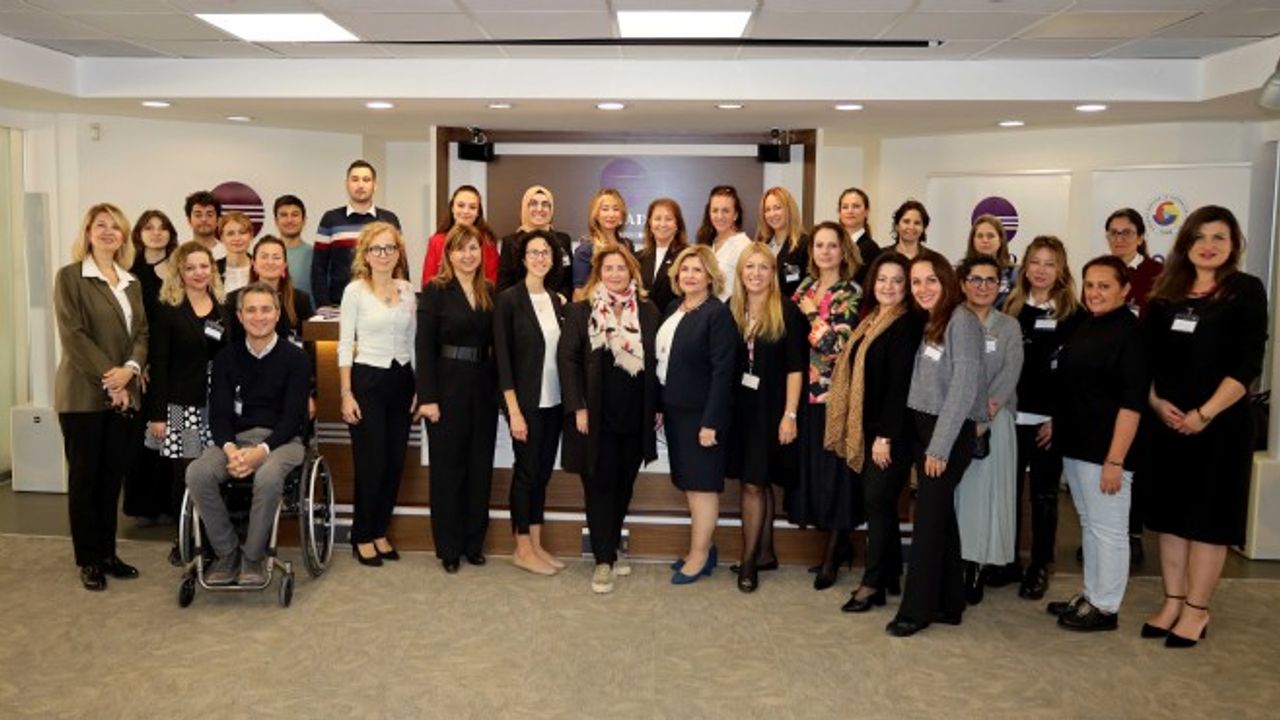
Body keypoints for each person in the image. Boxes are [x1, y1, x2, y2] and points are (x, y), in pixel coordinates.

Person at [1140, 206, 1267, 648]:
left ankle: (1197, 609)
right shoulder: (1165, 294)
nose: (1208, 246)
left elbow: (1248, 364)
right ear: (1185, 243)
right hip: (1167, 424)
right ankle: (1173, 601)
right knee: (1172, 519)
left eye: (1219, 237)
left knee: (1208, 521)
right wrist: (1156, 403)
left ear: (1233, 244)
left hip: (1220, 427)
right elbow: (1146, 360)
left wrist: (1205, 413)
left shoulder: (1244, 291)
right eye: (1200, 237)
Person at [885, 249, 984, 637]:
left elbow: (963, 388)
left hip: (947, 434)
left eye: (931, 280)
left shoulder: (963, 322)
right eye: (916, 282)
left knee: (926, 522)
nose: (922, 288)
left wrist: (939, 447)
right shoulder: (931, 321)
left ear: (947, 281)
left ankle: (916, 610)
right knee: (941, 518)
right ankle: (950, 602)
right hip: (924, 428)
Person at [184, 282, 310, 586]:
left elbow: (293, 419)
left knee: (268, 476)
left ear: (277, 313)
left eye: (266, 309)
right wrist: (231, 450)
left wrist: (260, 452)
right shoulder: (226, 358)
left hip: (283, 442)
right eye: (251, 310)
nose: (259, 316)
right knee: (197, 472)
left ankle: (253, 557)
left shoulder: (296, 359)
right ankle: (227, 553)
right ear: (240, 316)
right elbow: (219, 415)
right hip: (236, 441)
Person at [1046, 255, 1146, 632]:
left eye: (1105, 286)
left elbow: (1132, 404)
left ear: (1125, 289)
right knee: (1090, 524)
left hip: (1106, 452)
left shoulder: (1131, 335)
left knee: (1109, 530)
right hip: (1078, 445)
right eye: (1090, 285)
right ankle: (1091, 594)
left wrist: (1115, 460)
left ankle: (1106, 608)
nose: (1095, 292)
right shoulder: (1089, 324)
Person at [54, 203, 149, 591]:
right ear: (88, 232)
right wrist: (114, 379)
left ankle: (108, 553)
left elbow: (141, 333)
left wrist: (131, 369)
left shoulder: (131, 282)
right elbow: (74, 336)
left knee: (111, 480)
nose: (109, 232)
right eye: (101, 225)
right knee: (85, 480)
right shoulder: (71, 277)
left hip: (124, 394)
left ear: (124, 236)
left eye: (115, 226)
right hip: (83, 395)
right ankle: (89, 559)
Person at [559, 244, 661, 594]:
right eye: (608, 268)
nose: (615, 274)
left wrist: (657, 407)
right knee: (599, 486)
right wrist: (578, 407)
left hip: (634, 413)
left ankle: (612, 545)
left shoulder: (647, 311)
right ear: (598, 274)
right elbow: (568, 361)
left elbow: (658, 362)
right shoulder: (581, 310)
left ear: (632, 271)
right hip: (595, 415)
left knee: (623, 486)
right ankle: (603, 561)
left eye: (621, 268)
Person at [825, 252, 922, 613]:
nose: (889, 286)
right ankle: (890, 574)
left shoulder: (907, 324)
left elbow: (900, 387)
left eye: (897, 281)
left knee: (878, 505)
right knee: (879, 505)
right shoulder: (871, 320)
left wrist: (885, 437)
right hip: (868, 430)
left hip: (889, 435)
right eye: (882, 279)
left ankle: (872, 584)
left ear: (907, 286)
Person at [1000, 236, 1084, 600]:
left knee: (1044, 496)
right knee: (1009, 492)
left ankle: (1039, 565)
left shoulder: (1074, 315)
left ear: (1061, 269)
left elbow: (1077, 375)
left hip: (1047, 422)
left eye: (1050, 263)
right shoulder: (1010, 307)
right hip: (1009, 417)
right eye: (1035, 261)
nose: (1041, 270)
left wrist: (1058, 418)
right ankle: (1007, 561)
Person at [417, 223, 499, 574]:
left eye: (473, 248)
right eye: (461, 249)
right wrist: (427, 397)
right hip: (446, 389)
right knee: (448, 472)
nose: (468, 255)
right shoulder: (435, 290)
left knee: (480, 469)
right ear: (448, 254)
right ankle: (449, 548)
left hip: (483, 388)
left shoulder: (490, 291)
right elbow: (423, 347)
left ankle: (473, 544)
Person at [786, 221, 863, 590]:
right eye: (819, 245)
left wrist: (813, 314)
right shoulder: (803, 287)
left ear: (843, 250)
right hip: (800, 393)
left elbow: (837, 347)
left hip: (833, 395)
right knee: (814, 474)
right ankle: (837, 544)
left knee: (836, 475)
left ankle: (833, 554)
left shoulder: (850, 292)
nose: (826, 252)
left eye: (833, 245)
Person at [726, 243, 806, 593]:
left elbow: (796, 369)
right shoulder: (732, 309)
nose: (756, 274)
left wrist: (790, 415)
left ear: (773, 274)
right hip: (739, 410)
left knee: (753, 483)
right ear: (740, 272)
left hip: (771, 410)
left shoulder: (787, 312)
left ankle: (748, 563)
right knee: (757, 479)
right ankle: (765, 553)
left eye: (763, 267)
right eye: (750, 267)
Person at [146, 241, 231, 566]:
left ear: (213, 269)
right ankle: (183, 539)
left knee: (212, 473)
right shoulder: (169, 309)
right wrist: (158, 414)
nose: (198, 273)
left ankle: (211, 540)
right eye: (190, 267)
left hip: (216, 406)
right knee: (186, 475)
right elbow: (159, 364)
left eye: (204, 266)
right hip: (183, 408)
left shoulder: (222, 307)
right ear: (179, 272)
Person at [338, 223, 417, 568]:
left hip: (402, 380)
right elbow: (345, 344)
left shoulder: (408, 290)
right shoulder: (355, 291)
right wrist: (346, 393)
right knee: (371, 463)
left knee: (394, 462)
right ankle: (362, 534)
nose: (384, 254)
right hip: (367, 380)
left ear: (399, 254)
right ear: (365, 254)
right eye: (377, 249)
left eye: (390, 248)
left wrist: (419, 387)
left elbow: (413, 342)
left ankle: (380, 530)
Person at [657, 245, 736, 585]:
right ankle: (703, 548)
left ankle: (699, 556)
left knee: (702, 489)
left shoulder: (717, 314)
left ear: (710, 277)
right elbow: (665, 360)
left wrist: (711, 422)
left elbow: (723, 373)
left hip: (701, 417)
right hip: (676, 413)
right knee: (690, 485)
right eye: (685, 269)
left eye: (698, 270)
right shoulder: (674, 308)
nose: (690, 275)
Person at [494, 230, 567, 576]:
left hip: (554, 402)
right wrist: (514, 411)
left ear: (553, 259)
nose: (540, 258)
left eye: (545, 253)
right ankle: (521, 548)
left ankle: (536, 544)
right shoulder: (508, 300)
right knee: (525, 474)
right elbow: (503, 360)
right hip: (525, 404)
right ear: (523, 259)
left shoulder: (556, 300)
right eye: (534, 252)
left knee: (541, 474)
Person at [953, 255, 1024, 605]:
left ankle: (978, 566)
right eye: (976, 279)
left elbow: (1010, 374)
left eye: (990, 280)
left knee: (987, 499)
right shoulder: (950, 320)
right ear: (963, 283)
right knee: (959, 498)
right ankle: (956, 562)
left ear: (1000, 285)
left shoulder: (1009, 326)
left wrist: (982, 420)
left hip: (996, 424)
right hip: (954, 424)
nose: (983, 286)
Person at [124, 209, 178, 526]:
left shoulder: (179, 269)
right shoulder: (128, 271)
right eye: (149, 227)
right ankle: (143, 506)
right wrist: (139, 362)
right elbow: (128, 324)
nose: (156, 233)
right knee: (142, 439)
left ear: (170, 233)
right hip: (140, 366)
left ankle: (170, 504)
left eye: (162, 227)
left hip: (172, 361)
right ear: (139, 234)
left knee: (171, 435)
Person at [313, 159, 402, 308]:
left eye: (366, 180)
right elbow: (318, 268)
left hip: (383, 304)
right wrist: (324, 305)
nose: (360, 185)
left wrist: (401, 301)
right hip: (339, 305)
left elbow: (400, 265)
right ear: (346, 184)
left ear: (375, 185)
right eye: (355, 179)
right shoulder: (330, 219)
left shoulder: (389, 219)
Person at [225, 235, 315, 346]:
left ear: (285, 265)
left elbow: (310, 344)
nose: (270, 262)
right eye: (264, 257)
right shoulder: (234, 299)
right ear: (254, 264)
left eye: (276, 257)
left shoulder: (301, 300)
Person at [496, 185, 573, 297]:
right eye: (533, 204)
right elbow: (503, 286)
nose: (539, 209)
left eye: (545, 204)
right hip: (521, 305)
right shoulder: (510, 242)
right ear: (525, 208)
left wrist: (561, 297)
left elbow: (569, 281)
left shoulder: (563, 240)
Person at [423, 185, 499, 284]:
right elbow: (428, 281)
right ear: (452, 208)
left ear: (478, 213)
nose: (466, 211)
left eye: (472, 207)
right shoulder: (436, 241)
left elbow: (492, 282)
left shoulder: (487, 242)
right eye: (461, 205)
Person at [695, 185, 752, 301]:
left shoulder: (744, 246)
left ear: (735, 215)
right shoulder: (709, 242)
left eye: (725, 211)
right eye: (715, 210)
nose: (719, 216)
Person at [1105, 208, 1163, 316]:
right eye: (1113, 233)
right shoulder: (1097, 271)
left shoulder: (1159, 272)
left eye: (1127, 233)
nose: (1119, 239)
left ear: (1140, 238)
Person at [573, 188, 633, 291]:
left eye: (616, 209)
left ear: (622, 215)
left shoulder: (628, 245)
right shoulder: (585, 250)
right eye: (605, 209)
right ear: (596, 215)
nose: (611, 214)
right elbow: (579, 292)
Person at [636, 198, 687, 314]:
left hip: (676, 319)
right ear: (650, 223)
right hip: (645, 321)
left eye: (668, 219)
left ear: (677, 224)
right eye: (657, 219)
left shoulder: (687, 256)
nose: (662, 224)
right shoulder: (638, 258)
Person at [758, 186, 809, 298]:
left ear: (789, 210)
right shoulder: (762, 245)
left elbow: (808, 286)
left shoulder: (805, 244)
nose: (772, 214)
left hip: (790, 307)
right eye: (767, 210)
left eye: (777, 208)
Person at [963, 215, 1016, 307]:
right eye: (980, 236)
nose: (985, 240)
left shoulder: (1013, 274)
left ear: (1000, 240)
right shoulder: (961, 273)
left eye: (990, 236)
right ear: (973, 241)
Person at [838, 187, 881, 288]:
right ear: (839, 212)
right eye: (845, 207)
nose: (850, 211)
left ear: (866, 212)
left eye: (856, 206)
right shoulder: (831, 244)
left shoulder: (871, 249)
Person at [273, 194, 313, 296]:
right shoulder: (265, 255)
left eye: (295, 215)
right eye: (284, 215)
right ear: (276, 221)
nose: (289, 220)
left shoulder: (316, 255)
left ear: (304, 220)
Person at [215, 212, 254, 293]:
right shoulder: (213, 269)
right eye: (230, 234)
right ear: (222, 238)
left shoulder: (260, 267)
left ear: (250, 235)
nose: (237, 238)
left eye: (242, 232)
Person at [184, 190, 223, 260]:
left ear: (218, 220)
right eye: (198, 215)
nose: (204, 219)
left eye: (209, 215)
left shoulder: (227, 253)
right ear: (189, 220)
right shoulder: (181, 254)